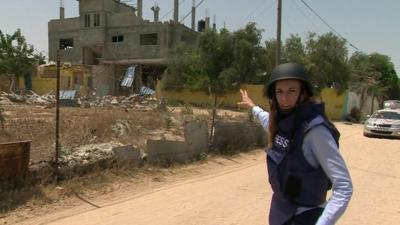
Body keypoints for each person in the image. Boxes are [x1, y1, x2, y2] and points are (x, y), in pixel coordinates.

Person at [237, 62, 353, 225]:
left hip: (305, 215)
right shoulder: (280, 122)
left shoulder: (315, 131)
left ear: (303, 93)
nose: (284, 98)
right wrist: (252, 106)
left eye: (292, 91)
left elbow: (344, 186)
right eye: (280, 91)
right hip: (280, 212)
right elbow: (265, 119)